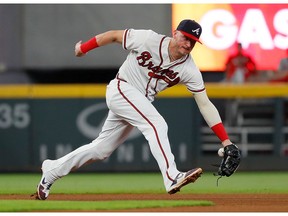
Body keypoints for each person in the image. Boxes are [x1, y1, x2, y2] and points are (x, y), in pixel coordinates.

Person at [33, 19, 240, 200]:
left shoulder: (189, 69)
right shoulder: (148, 39)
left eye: (192, 42)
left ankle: (51, 170)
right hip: (122, 88)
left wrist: (226, 141)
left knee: (101, 149)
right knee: (156, 124)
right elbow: (113, 36)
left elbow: (204, 103)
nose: (187, 44)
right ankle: (171, 176)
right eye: (185, 38)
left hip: (138, 102)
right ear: (174, 33)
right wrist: (83, 48)